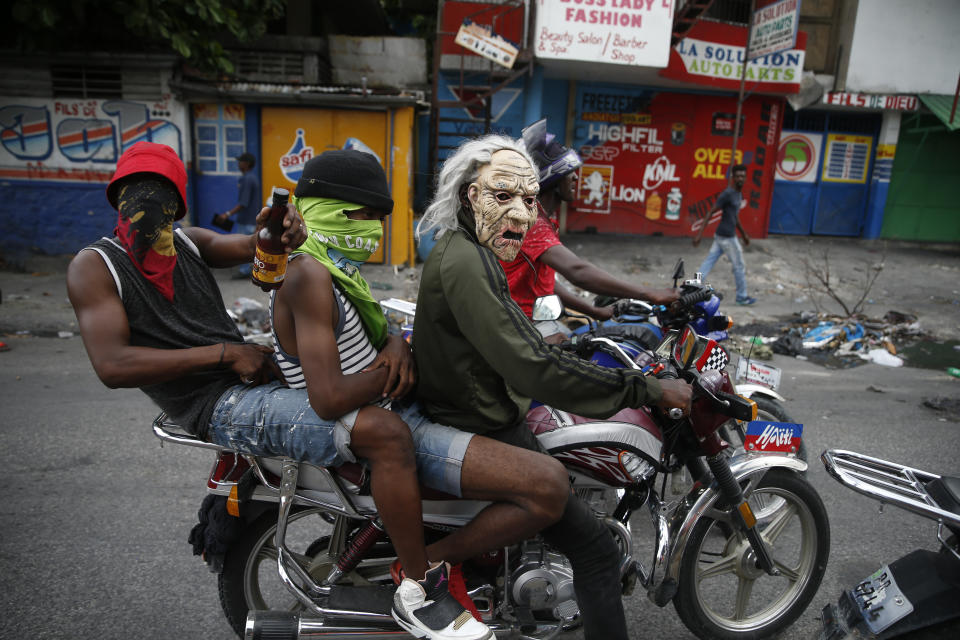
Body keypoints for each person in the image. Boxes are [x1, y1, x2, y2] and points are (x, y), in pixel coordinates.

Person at [65, 142, 491, 640]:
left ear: (177, 202)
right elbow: (112, 365)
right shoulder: (95, 266)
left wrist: (279, 230)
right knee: (381, 430)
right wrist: (225, 354)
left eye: (161, 195)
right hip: (213, 402)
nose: (147, 209)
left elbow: (255, 245)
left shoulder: (187, 244)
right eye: (136, 195)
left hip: (250, 376)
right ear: (117, 197)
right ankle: (419, 587)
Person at [270, 149, 574, 640]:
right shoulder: (309, 273)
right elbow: (327, 397)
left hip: (392, 408)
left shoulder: (334, 269)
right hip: (379, 423)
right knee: (549, 488)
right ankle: (423, 576)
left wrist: (393, 343)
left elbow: (362, 339)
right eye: (361, 215)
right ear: (322, 209)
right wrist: (392, 366)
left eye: (378, 218)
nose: (371, 228)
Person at [413, 134, 693, 640]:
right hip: (482, 420)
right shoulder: (466, 262)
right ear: (469, 197)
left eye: (528, 199)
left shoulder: (476, 252)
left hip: (489, 407)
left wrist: (579, 333)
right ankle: (431, 565)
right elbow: (531, 366)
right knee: (595, 550)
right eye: (503, 196)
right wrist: (646, 390)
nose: (520, 213)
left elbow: (523, 337)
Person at [502, 120, 678, 340]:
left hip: (535, 319)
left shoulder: (541, 218)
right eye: (569, 172)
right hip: (523, 327)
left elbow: (546, 281)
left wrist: (593, 311)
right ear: (552, 178)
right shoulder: (531, 221)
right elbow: (578, 272)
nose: (576, 177)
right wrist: (650, 293)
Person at [692, 163, 756, 305]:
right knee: (739, 265)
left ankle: (693, 286)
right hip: (727, 237)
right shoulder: (727, 194)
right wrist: (699, 235)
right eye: (738, 176)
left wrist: (744, 234)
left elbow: (735, 216)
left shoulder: (738, 193)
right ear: (733, 177)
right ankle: (742, 296)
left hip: (722, 235)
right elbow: (710, 212)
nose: (740, 178)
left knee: (708, 262)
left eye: (743, 176)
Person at [214, 151, 260, 278]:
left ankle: (245, 271)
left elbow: (243, 203)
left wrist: (227, 214)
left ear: (247, 164)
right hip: (249, 218)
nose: (238, 164)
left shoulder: (247, 179)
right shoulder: (251, 177)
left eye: (241, 161)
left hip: (246, 219)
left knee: (244, 245)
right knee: (249, 244)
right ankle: (248, 269)